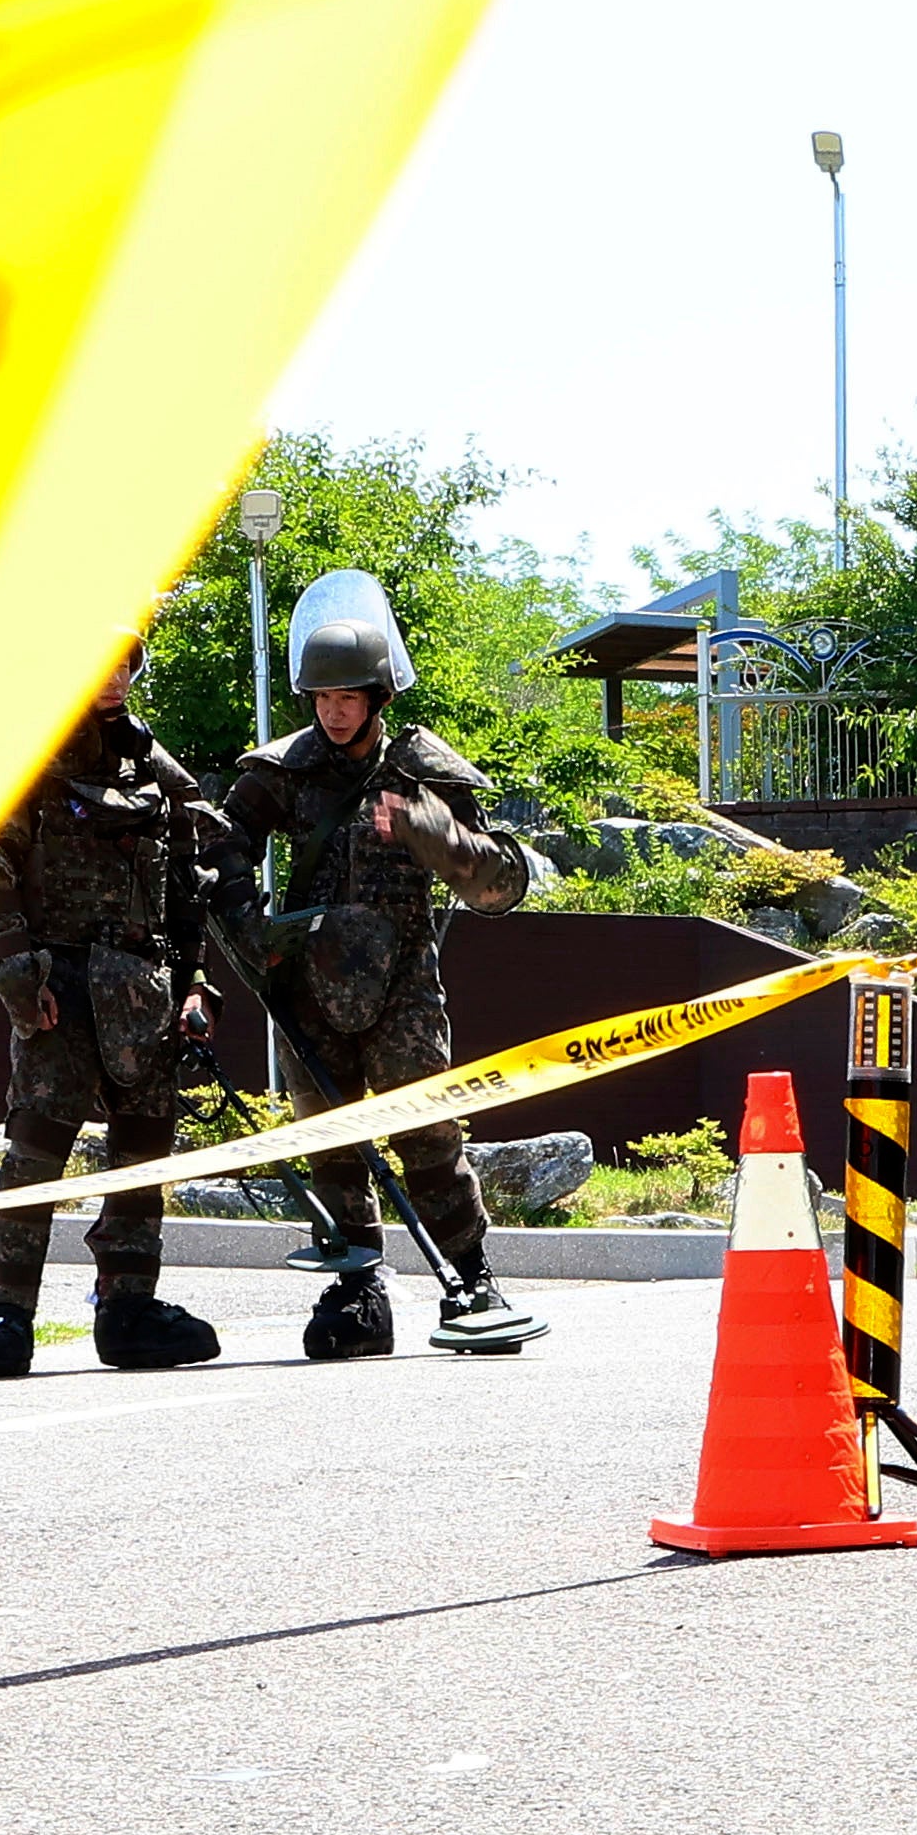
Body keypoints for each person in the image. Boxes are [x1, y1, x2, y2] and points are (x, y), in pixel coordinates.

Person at [213, 570, 543, 1359]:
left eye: (349, 697)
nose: (334, 711)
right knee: (330, 1142)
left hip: (402, 990)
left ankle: (473, 1279)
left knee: (426, 1138)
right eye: (323, 698)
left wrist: (433, 832)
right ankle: (358, 1290)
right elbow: (217, 850)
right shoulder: (282, 772)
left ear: (377, 695)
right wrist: (248, 929)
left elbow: (502, 884)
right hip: (306, 987)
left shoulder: (423, 772)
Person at [0, 642, 227, 1379]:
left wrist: (197, 985)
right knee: (35, 1153)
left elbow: (187, 887)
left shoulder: (155, 769)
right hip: (59, 985)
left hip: (144, 990)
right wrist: (16, 970)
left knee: (143, 1156)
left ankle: (129, 1312)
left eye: (125, 664)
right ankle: (9, 1317)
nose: (112, 678)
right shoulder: (31, 759)